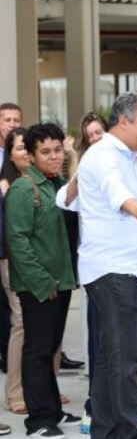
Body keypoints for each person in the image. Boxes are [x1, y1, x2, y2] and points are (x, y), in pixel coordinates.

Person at [77, 93, 137, 439]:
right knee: (125, 358)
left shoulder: (123, 154)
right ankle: (126, 431)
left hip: (120, 271)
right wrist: (136, 208)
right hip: (114, 271)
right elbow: (114, 190)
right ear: (123, 121)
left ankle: (106, 428)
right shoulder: (107, 154)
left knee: (111, 357)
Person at [5, 123, 80, 439]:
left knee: (49, 348)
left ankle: (52, 410)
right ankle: (38, 421)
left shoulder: (57, 183)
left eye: (57, 150)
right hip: (40, 286)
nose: (53, 156)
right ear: (32, 156)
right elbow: (17, 240)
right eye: (45, 152)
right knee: (37, 350)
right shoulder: (24, 189)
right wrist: (42, 282)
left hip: (60, 283)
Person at [0, 127, 30, 414]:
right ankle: (14, 393)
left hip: (42, 261)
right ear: (9, 153)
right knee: (21, 322)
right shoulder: (4, 183)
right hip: (12, 260)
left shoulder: (42, 179)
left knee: (45, 327)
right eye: (20, 147)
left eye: (28, 147)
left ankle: (44, 390)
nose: (26, 152)